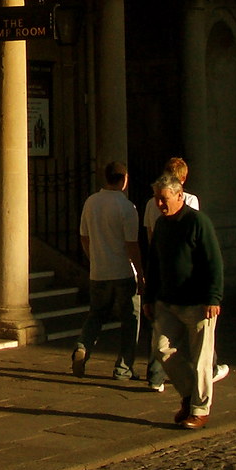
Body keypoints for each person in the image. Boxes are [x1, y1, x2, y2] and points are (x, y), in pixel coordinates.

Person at [143, 173, 224, 429]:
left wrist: (213, 297)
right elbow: (154, 265)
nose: (159, 204)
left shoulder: (198, 222)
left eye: (163, 199)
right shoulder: (162, 225)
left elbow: (214, 262)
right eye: (157, 199)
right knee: (162, 348)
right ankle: (189, 395)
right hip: (167, 301)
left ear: (179, 196)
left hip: (198, 302)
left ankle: (199, 409)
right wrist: (149, 297)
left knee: (201, 359)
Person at [71, 161, 143, 380]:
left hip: (99, 271)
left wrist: (93, 257)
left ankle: (83, 346)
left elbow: (84, 236)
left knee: (96, 315)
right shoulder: (126, 207)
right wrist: (140, 271)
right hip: (122, 270)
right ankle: (123, 367)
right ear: (124, 179)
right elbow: (132, 243)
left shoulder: (91, 202)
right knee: (131, 318)